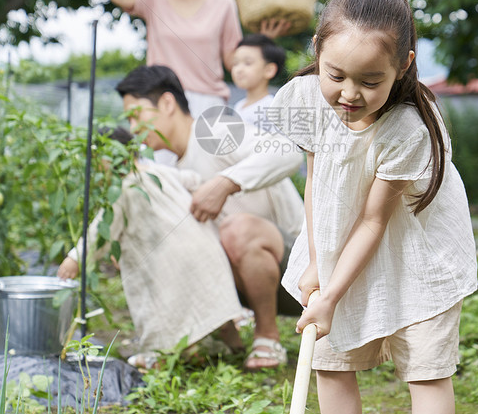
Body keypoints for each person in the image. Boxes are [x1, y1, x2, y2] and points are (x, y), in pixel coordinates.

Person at [270, 0, 478, 414]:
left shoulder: (408, 129)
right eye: (336, 75)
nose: (349, 94)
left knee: (426, 367)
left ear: (403, 65)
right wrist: (315, 256)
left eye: (370, 80)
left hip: (416, 249)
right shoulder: (306, 101)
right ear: (317, 51)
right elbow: (317, 182)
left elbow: (373, 222)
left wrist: (331, 295)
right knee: (330, 361)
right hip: (343, 238)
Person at [58, 65, 304, 370]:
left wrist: (225, 183)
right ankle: (217, 340)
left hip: (300, 273)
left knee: (236, 229)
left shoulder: (213, 129)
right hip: (244, 278)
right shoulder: (163, 166)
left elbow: (289, 152)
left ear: (167, 104)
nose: (133, 129)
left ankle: (267, 337)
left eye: (136, 115)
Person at [108, 0, 291, 117]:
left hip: (207, 104)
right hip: (161, 101)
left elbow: (232, 60)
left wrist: (262, 42)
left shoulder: (222, 1)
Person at [230, 34, 286, 131]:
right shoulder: (238, 106)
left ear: (269, 70)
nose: (238, 69)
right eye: (235, 63)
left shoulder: (271, 109)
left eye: (248, 63)